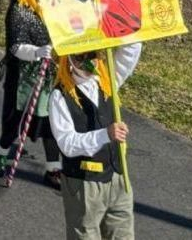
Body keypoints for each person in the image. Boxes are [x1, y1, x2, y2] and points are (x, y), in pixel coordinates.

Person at [50, 42, 142, 240]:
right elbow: (67, 143)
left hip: (117, 176)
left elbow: (130, 52)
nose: (87, 62)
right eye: (79, 57)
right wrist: (105, 134)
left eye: (91, 54)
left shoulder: (107, 81)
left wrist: (124, 22)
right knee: (85, 235)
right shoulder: (60, 96)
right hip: (85, 184)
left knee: (123, 235)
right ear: (67, 60)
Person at [0, 0, 62, 188]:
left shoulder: (55, 8)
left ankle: (53, 169)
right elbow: (15, 47)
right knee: (15, 122)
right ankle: (0, 153)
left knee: (52, 123)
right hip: (24, 76)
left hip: (51, 75)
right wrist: (37, 53)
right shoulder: (19, 10)